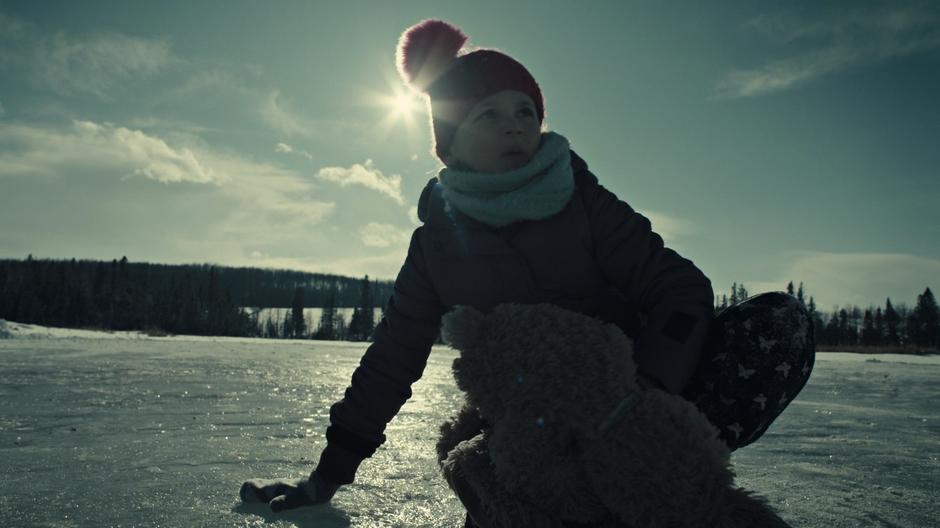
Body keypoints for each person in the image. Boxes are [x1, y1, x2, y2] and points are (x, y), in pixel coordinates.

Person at [240, 19, 815, 527]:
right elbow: (390, 361)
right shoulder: (437, 245)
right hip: (535, 421)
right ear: (451, 144)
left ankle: (656, 476)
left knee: (776, 324)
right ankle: (578, 503)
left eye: (525, 112)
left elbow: (681, 289)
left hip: (636, 389)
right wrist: (325, 480)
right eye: (487, 114)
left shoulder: (581, 199)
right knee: (473, 453)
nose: (514, 126)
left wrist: (642, 399)